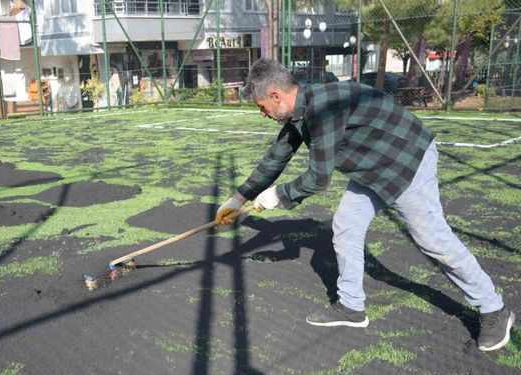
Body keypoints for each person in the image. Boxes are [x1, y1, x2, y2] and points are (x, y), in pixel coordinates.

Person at [215, 59, 515, 352]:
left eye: (261, 107)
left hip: (406, 160)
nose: (262, 114)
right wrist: (238, 198)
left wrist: (277, 195)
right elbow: (276, 157)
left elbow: (318, 179)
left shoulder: (321, 109)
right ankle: (351, 308)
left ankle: (494, 309)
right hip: (372, 166)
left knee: (433, 240)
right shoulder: (301, 111)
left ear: (276, 96)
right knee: (346, 225)